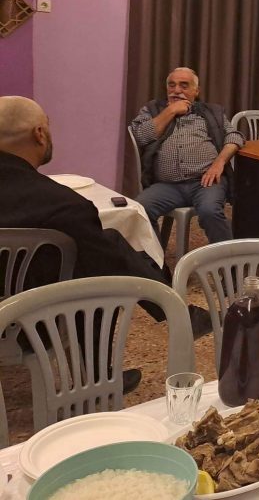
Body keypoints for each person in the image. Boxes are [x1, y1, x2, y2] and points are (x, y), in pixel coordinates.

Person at [0, 96, 212, 393]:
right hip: (28, 323)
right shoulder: (62, 204)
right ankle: (98, 378)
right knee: (99, 270)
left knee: (103, 247)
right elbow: (104, 264)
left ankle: (171, 308)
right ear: (39, 134)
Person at [130, 67, 244, 244]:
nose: (176, 90)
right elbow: (141, 136)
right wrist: (171, 111)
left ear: (196, 91)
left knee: (210, 211)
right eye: (172, 85)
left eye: (184, 86)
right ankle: (154, 260)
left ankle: (229, 260)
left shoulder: (211, 112)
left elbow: (235, 136)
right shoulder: (152, 110)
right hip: (167, 185)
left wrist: (219, 162)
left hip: (205, 181)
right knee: (139, 210)